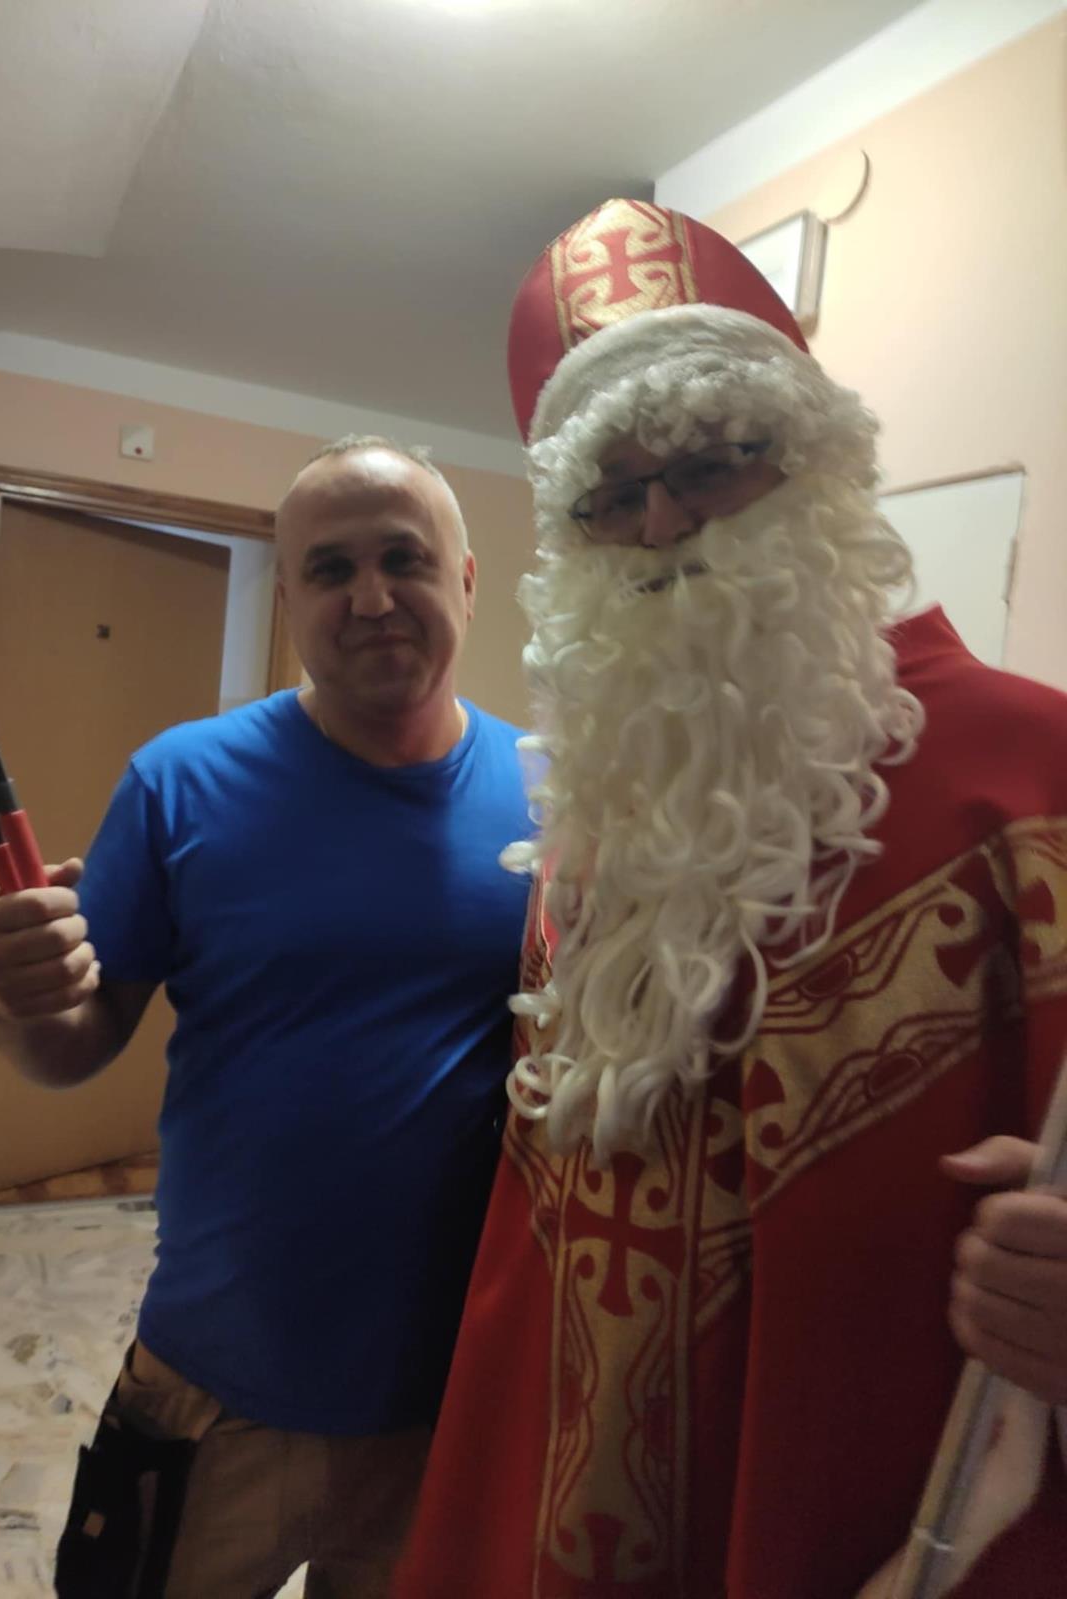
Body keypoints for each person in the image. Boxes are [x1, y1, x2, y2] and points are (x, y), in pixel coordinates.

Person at [391, 200, 1067, 1598]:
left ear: (815, 469)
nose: (660, 524)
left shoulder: (1037, 777)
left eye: (709, 464)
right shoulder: (590, 824)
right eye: (610, 495)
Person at [0, 435, 533, 1598]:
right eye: (330, 569)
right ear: (288, 598)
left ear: (467, 581)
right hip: (213, 1388)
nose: (370, 598)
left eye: (404, 559)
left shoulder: (552, 801)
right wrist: (16, 998)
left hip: (449, 1403)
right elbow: (72, 1047)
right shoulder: (181, 781)